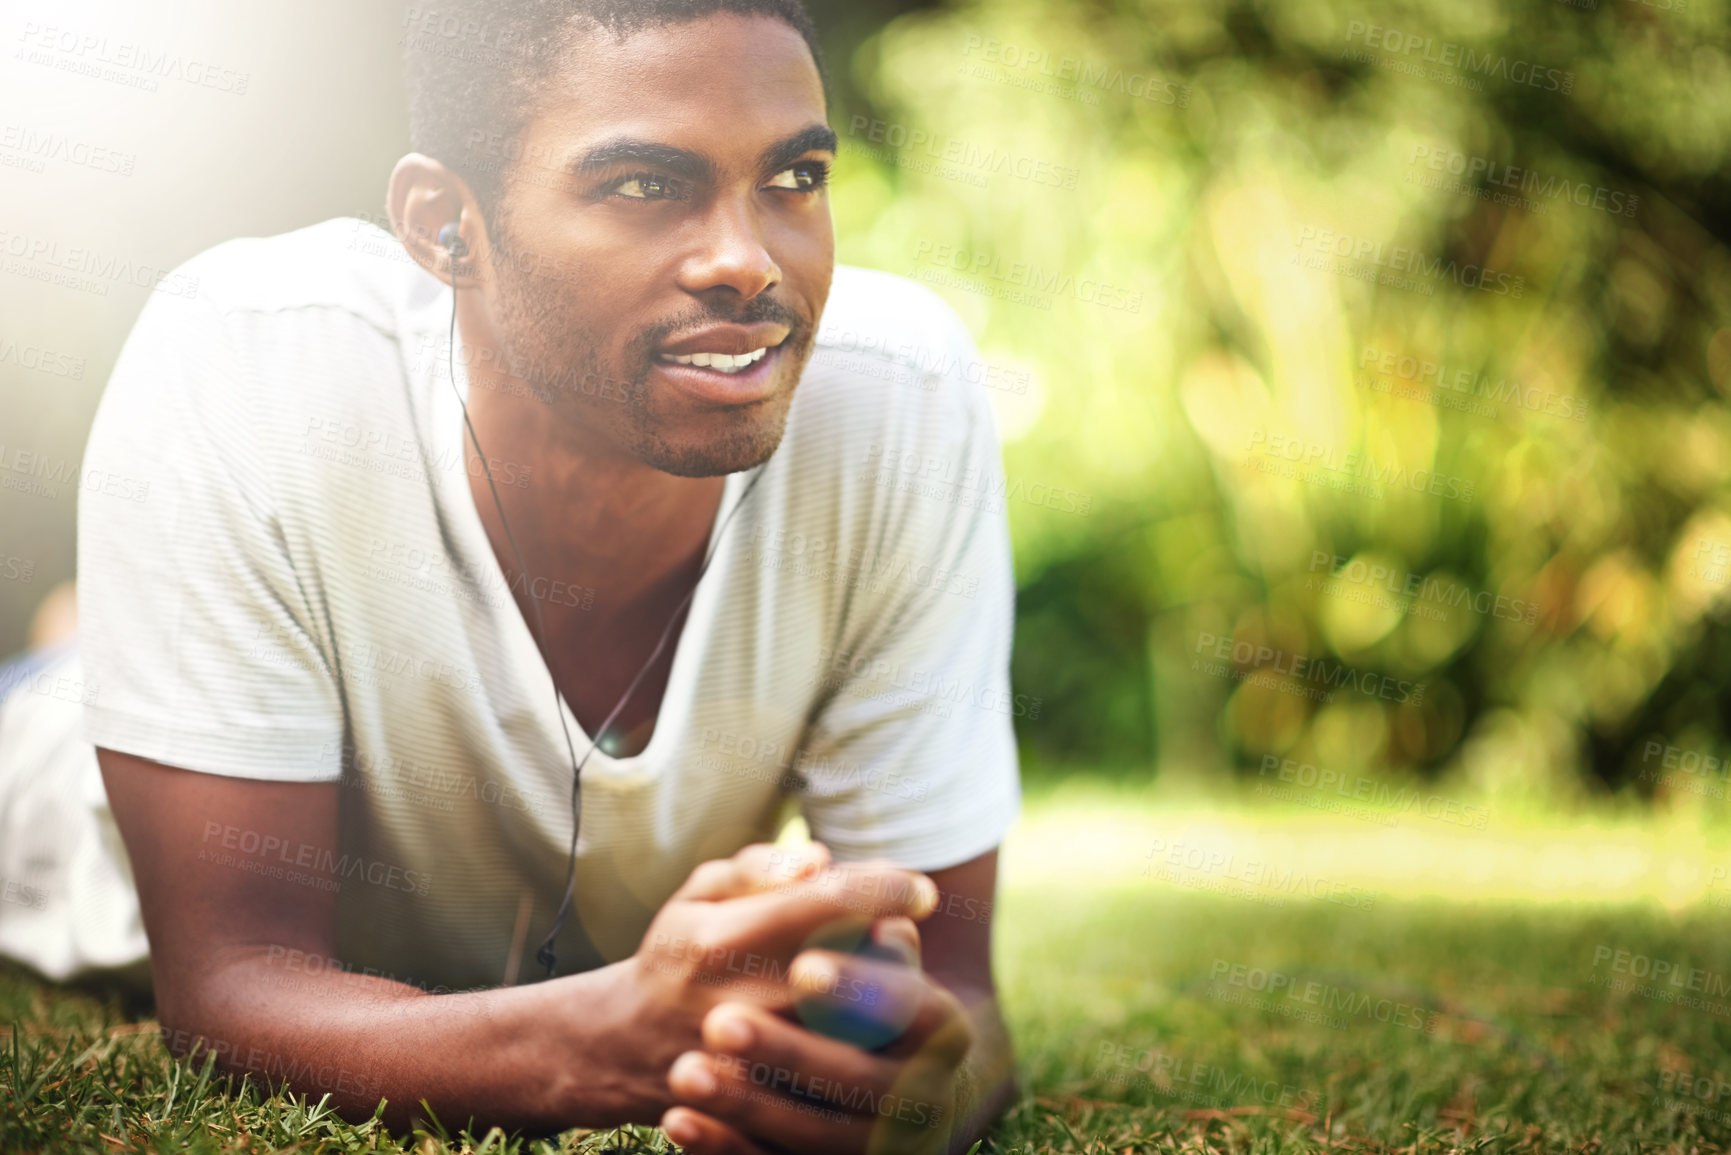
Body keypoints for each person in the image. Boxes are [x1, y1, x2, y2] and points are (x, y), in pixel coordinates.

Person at [53, 1, 1023, 1151]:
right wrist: (602, 1043)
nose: (747, 262)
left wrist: (906, 1083)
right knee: (45, 693)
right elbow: (228, 995)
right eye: (643, 187)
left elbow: (959, 998)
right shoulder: (250, 364)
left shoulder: (897, 396)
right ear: (444, 226)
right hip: (50, 792)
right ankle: (64, 648)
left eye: (794, 176)